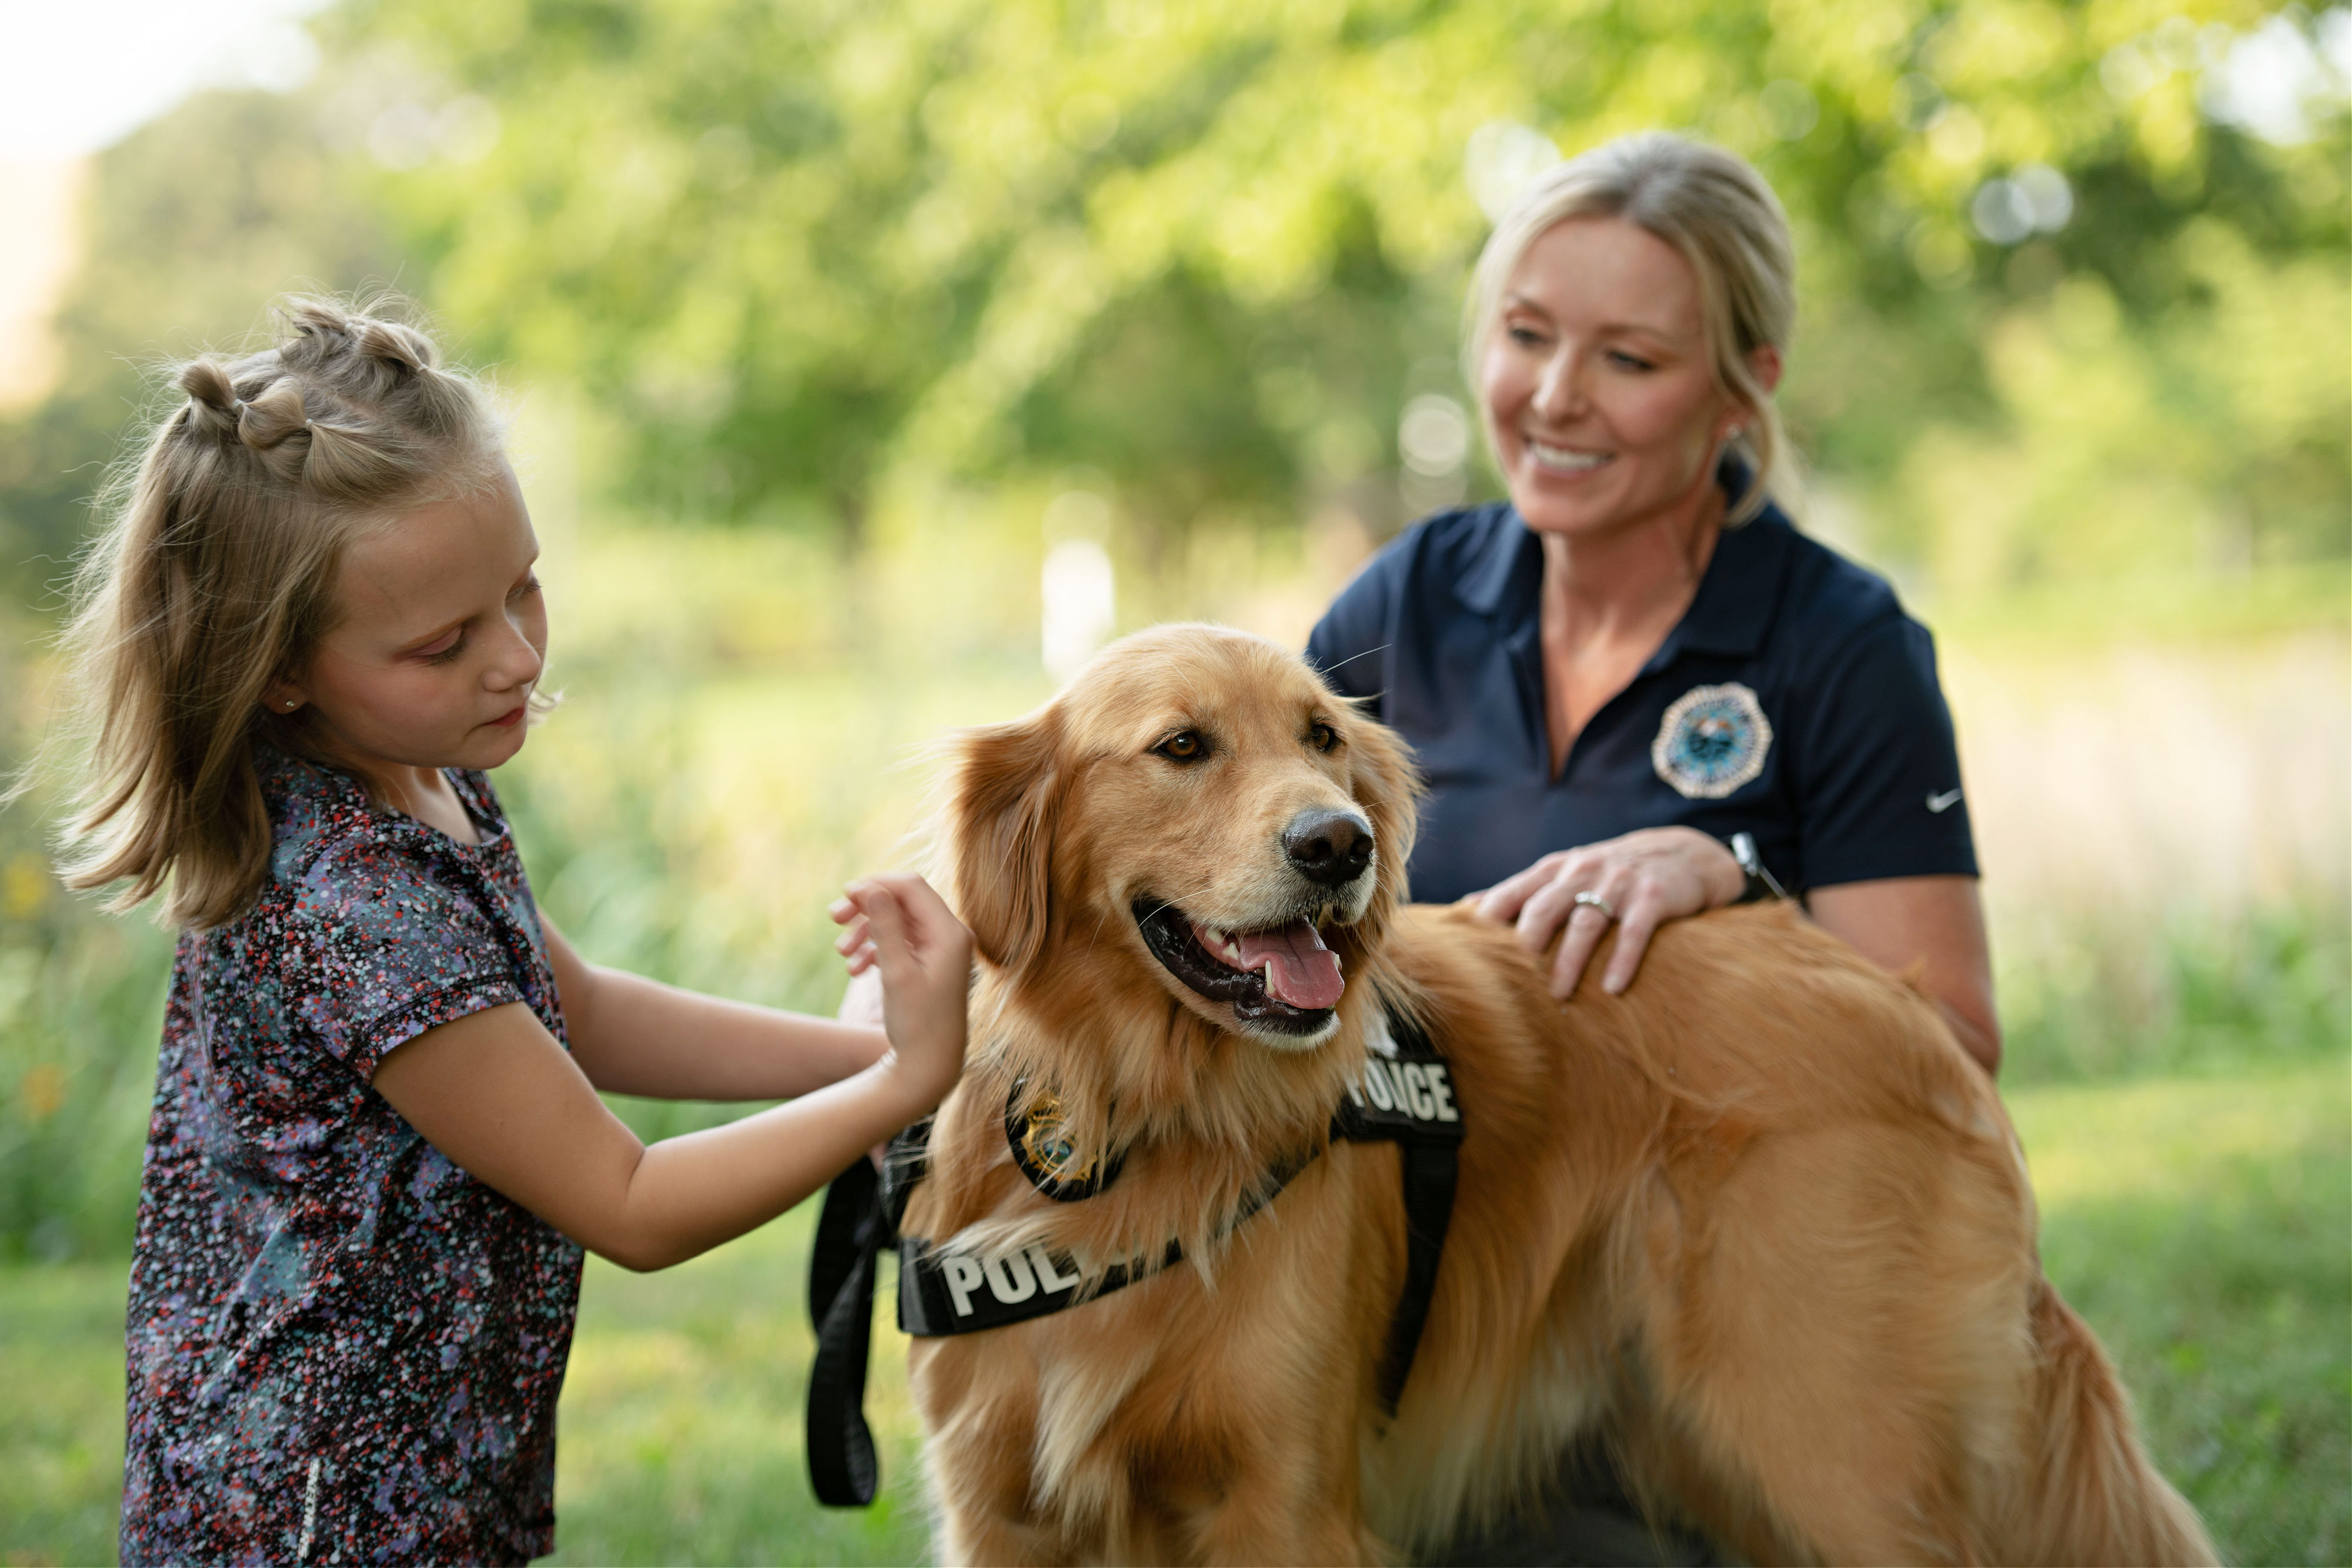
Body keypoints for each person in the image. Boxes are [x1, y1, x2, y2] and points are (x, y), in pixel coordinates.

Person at [46, 297, 972, 1565]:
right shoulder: (354, 905)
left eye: (524, 588)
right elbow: (632, 1202)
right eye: (445, 642)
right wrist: (907, 1081)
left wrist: (857, 1054)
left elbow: (568, 1008)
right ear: (279, 668)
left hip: (418, 1464)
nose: (516, 655)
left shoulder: (418, 772)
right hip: (314, 1512)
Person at [1307, 132, 1998, 1559]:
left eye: (1628, 359)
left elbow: (1948, 1041)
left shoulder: (1840, 644)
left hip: (1722, 1289)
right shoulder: (1405, 601)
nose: (1555, 398)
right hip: (1432, 1295)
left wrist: (1735, 873)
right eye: (1525, 335)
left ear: (1746, 385)